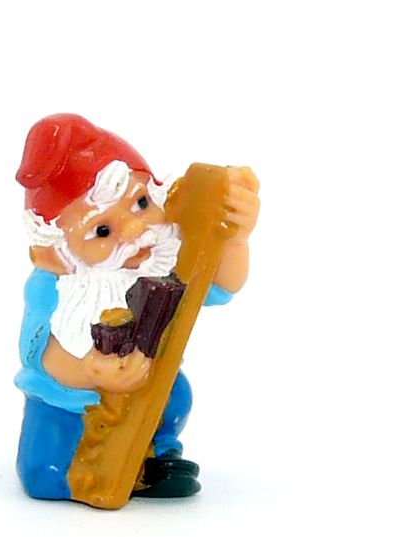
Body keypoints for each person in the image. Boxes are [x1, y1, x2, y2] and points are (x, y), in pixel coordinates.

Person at [13, 113, 260, 501]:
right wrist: (89, 370)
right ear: (56, 254)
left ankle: (155, 456)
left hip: (144, 390)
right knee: (43, 474)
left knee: (174, 397)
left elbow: (223, 285)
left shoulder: (161, 260)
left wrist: (235, 238)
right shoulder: (55, 286)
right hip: (67, 405)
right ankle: (83, 478)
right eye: (102, 231)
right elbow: (39, 353)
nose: (134, 230)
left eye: (141, 203)